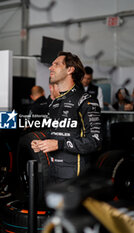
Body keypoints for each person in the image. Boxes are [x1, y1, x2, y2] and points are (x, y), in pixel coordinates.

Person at [31, 52, 102, 184]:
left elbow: (94, 141)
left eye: (56, 64)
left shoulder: (86, 100)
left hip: (76, 177)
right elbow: (59, 134)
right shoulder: (55, 102)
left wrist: (59, 144)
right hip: (53, 172)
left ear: (70, 69)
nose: (50, 68)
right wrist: (42, 143)